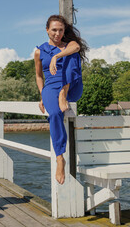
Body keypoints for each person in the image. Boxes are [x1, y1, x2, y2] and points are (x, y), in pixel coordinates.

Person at [34, 15, 88, 184]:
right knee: (56, 113)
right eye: (54, 30)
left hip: (71, 87)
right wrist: (43, 95)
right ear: (47, 30)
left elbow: (76, 46)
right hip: (51, 87)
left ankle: (63, 94)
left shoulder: (70, 45)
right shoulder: (39, 51)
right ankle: (60, 158)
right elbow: (38, 76)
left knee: (73, 55)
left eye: (61, 30)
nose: (57, 33)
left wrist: (57, 57)